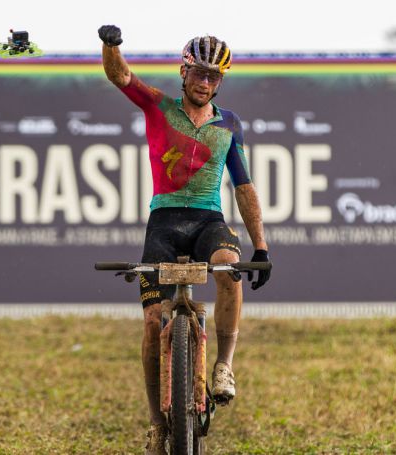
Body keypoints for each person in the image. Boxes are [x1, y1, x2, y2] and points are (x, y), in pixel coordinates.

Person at [98, 25, 272, 454]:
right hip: (164, 221)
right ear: (184, 71)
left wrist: (262, 246)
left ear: (221, 81)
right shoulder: (159, 106)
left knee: (229, 267)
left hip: (208, 221)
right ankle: (158, 425)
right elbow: (120, 77)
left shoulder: (229, 124)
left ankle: (224, 367)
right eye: (200, 73)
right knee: (153, 322)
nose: (206, 83)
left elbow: (244, 187)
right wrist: (111, 46)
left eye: (215, 77)